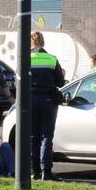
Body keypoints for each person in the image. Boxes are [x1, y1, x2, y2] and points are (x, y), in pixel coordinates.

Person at [29, 31, 65, 180]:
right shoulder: (51, 59)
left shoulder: (25, 59)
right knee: (46, 137)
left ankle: (34, 171)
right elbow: (60, 82)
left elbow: (18, 81)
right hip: (48, 101)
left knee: (33, 137)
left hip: (30, 101)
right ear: (42, 42)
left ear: (30, 42)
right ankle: (46, 172)